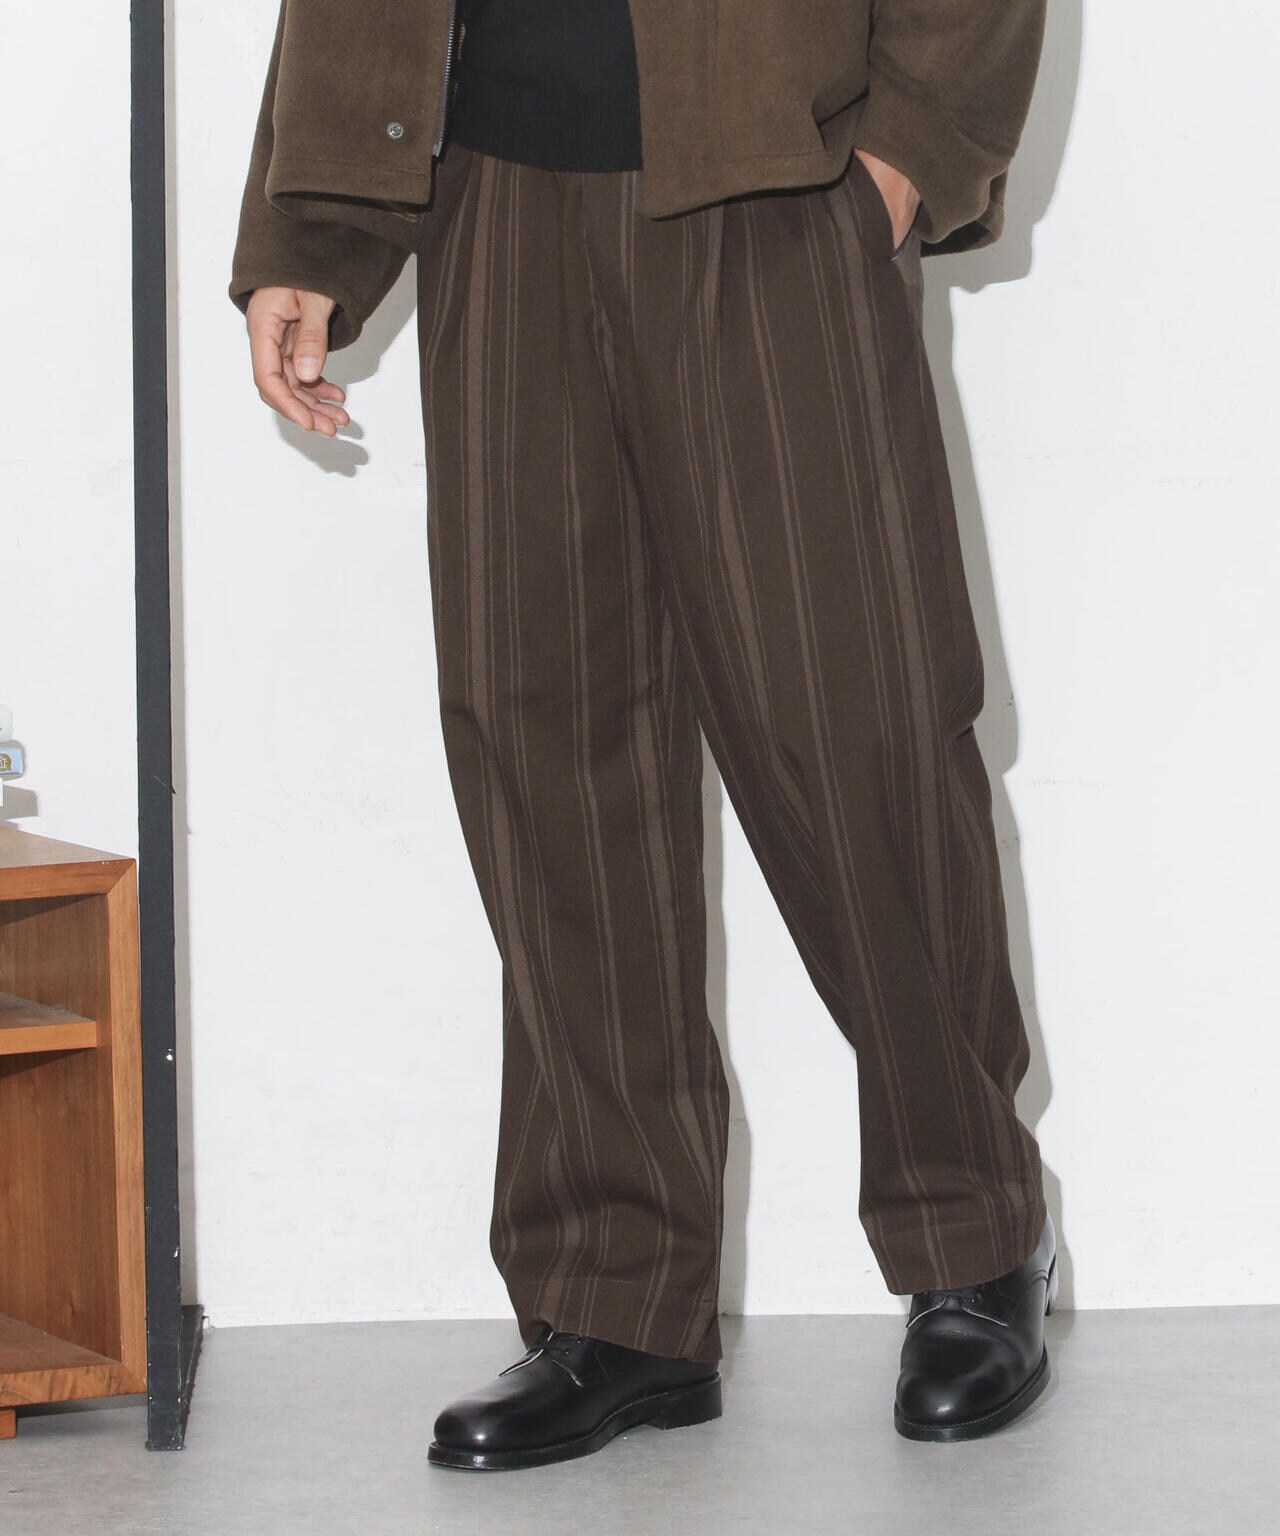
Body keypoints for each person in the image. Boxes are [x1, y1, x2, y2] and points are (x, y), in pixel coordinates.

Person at [229, 0, 1055, 1469]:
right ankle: (619, 1300)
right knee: (545, 741)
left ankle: (974, 1236)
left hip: (774, 187)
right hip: (493, 192)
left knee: (855, 733)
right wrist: (311, 223)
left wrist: (911, 154)